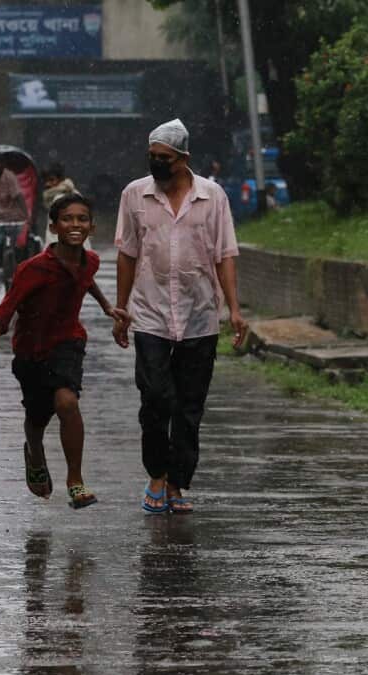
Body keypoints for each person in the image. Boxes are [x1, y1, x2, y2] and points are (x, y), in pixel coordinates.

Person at [113, 119, 248, 515]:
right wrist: (122, 310)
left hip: (200, 315)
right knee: (156, 397)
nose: (157, 163)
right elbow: (127, 254)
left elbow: (225, 254)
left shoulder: (213, 196)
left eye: (165, 158)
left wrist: (234, 309)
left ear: (184, 159)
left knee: (190, 406)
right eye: (152, 156)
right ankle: (156, 473)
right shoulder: (135, 195)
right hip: (151, 313)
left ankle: (176, 483)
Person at [0, 193, 126, 508]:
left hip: (68, 343)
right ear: (54, 227)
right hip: (31, 350)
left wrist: (109, 307)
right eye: (67, 219)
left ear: (92, 227)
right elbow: (5, 310)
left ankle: (75, 481)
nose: (75, 224)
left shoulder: (90, 261)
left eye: (82, 219)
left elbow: (86, 280)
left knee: (67, 402)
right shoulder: (33, 269)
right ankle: (35, 453)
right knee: (36, 417)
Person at [41, 163, 82, 249]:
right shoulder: (75, 193)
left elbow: (56, 231)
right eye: (45, 181)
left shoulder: (59, 198)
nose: (48, 184)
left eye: (52, 180)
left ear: (60, 179)